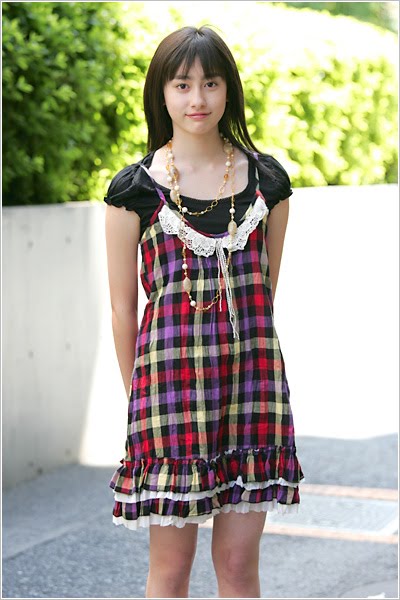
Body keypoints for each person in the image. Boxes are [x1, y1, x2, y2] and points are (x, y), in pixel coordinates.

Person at [104, 25, 305, 599]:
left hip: (252, 389)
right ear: (161, 93)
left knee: (238, 567)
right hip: (169, 395)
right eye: (182, 84)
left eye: (211, 83)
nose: (198, 99)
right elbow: (123, 311)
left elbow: (264, 293)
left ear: (229, 90)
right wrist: (138, 402)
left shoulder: (268, 184)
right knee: (171, 572)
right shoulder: (134, 192)